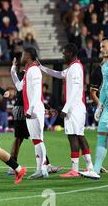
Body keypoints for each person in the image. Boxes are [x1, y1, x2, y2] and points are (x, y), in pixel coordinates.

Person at [38, 44, 94, 177]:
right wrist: (41, 67)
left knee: (73, 136)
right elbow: (58, 74)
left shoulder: (75, 68)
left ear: (70, 53)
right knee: (79, 136)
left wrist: (65, 109)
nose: (63, 56)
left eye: (64, 53)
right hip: (76, 107)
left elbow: (74, 91)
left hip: (74, 108)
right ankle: (89, 166)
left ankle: (75, 169)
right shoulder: (73, 68)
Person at [81, 37, 108, 179]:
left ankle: (96, 170)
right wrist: (100, 106)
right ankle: (96, 169)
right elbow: (104, 88)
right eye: (100, 47)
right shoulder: (104, 66)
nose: (101, 49)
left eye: (103, 46)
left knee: (103, 136)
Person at [11, 48, 49, 179]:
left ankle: (42, 169)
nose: (21, 57)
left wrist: (30, 109)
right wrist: (12, 71)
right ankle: (40, 169)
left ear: (28, 56)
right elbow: (19, 87)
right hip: (31, 109)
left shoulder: (34, 70)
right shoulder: (28, 71)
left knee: (38, 139)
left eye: (23, 54)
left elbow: (37, 92)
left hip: (35, 109)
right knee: (36, 140)